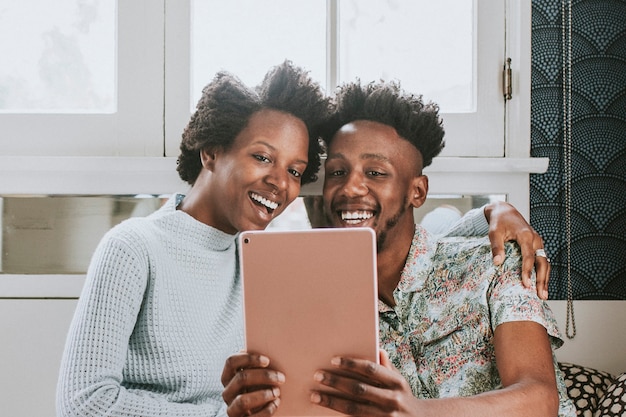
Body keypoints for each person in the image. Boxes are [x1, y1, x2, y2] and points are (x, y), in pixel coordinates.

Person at [220, 85, 563, 417]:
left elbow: (540, 399)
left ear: (417, 191)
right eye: (337, 172)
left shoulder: (495, 264)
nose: (351, 186)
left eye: (375, 172)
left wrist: (418, 412)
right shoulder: (313, 307)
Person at [56, 61, 332, 417]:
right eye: (263, 157)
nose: (280, 182)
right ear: (212, 152)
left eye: (294, 171)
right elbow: (83, 403)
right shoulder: (133, 248)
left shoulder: (260, 264)